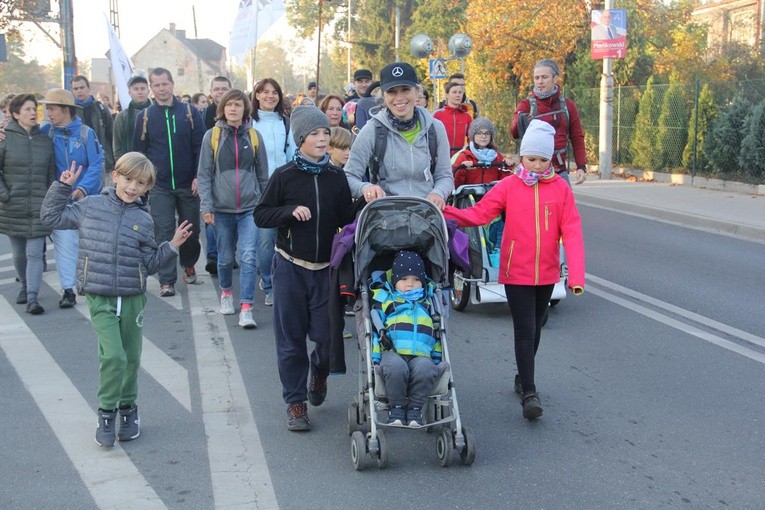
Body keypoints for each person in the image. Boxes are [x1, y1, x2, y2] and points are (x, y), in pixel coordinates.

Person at [41, 152, 193, 447]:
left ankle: (129, 410)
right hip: (99, 296)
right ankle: (107, 413)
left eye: (140, 183)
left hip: (133, 298)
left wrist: (171, 246)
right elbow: (51, 217)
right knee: (113, 356)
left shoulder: (142, 218)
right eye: (127, 179)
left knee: (132, 359)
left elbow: (149, 263)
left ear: (147, 188)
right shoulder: (90, 206)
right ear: (115, 176)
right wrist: (62, 188)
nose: (132, 187)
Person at [442, 120, 585, 420]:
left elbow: (571, 232)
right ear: (522, 157)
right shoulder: (508, 185)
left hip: (546, 272)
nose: (536, 166)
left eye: (543, 160)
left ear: (550, 161)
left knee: (538, 323)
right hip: (515, 270)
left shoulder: (560, 189)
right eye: (531, 159)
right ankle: (529, 392)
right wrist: (443, 212)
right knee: (525, 328)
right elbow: (479, 214)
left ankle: (522, 375)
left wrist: (576, 275)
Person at [253, 106, 358, 432]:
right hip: (290, 268)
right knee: (291, 341)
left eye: (325, 133)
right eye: (314, 133)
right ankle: (295, 403)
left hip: (326, 270)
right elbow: (261, 215)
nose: (322, 138)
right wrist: (287, 211)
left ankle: (319, 374)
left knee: (327, 340)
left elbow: (346, 218)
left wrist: (366, 199)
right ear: (300, 139)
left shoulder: (336, 176)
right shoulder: (284, 176)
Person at [197, 89, 268, 328]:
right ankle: (226, 293)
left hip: (250, 208)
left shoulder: (254, 136)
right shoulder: (212, 136)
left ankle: (246, 307)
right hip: (222, 209)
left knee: (249, 256)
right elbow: (204, 175)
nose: (233, 109)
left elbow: (263, 176)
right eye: (229, 105)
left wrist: (265, 205)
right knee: (226, 258)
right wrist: (206, 206)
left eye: (238, 105)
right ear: (223, 108)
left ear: (245, 108)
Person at [133, 67, 205, 297]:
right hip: (160, 186)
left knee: (190, 232)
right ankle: (167, 280)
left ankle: (189, 262)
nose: (162, 89)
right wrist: (143, 184)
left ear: (172, 85)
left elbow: (200, 149)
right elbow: (139, 154)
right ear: (152, 89)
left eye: (165, 84)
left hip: (187, 184)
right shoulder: (144, 117)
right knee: (163, 233)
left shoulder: (189, 112)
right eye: (157, 85)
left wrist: (198, 176)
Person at [344, 61, 454, 211]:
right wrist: (366, 188)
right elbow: (349, 176)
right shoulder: (372, 130)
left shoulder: (435, 128)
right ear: (383, 95)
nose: (399, 97)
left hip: (427, 217)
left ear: (417, 92)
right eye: (392, 91)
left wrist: (438, 193)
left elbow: (445, 176)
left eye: (405, 90)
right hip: (385, 219)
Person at [39, 88, 104, 309]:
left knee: (89, 244)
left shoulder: (86, 133)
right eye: (47, 108)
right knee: (64, 244)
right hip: (61, 199)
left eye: (52, 108)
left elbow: (96, 164)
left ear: (66, 110)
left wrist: (83, 188)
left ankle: (91, 283)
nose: (49, 113)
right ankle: (68, 289)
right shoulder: (46, 131)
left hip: (87, 199)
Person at [370, 250, 441, 427]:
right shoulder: (387, 300)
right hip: (393, 352)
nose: (410, 284)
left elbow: (437, 334)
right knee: (396, 368)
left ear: (423, 282)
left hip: (422, 354)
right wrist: (376, 357)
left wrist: (437, 358)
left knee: (426, 369)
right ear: (394, 282)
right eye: (404, 279)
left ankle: (415, 410)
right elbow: (376, 329)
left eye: (416, 280)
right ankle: (397, 408)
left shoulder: (428, 303)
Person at [0, 94, 55, 314]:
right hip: (13, 205)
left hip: (39, 205)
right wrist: (4, 194)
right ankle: (23, 285)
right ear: (15, 114)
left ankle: (32, 296)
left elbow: (52, 175)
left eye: (34, 109)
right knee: (19, 254)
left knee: (34, 254)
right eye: (27, 109)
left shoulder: (45, 141)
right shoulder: (5, 139)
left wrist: (51, 199)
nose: (33, 113)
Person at [251, 78, 297, 306]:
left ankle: (283, 282)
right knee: (266, 241)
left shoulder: (286, 123)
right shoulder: (249, 123)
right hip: (259, 190)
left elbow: (292, 155)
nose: (270, 96)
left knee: (286, 239)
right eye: (265, 92)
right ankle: (268, 284)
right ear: (257, 95)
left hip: (285, 189)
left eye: (274, 92)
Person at [511, 59, 588, 186]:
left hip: (559, 171)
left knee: (565, 205)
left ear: (555, 78)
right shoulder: (526, 105)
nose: (540, 82)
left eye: (544, 77)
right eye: (536, 78)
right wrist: (519, 120)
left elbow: (577, 137)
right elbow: (514, 133)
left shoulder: (567, 106)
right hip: (532, 173)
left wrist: (581, 167)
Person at [200, 76, 232, 273]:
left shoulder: (239, 113)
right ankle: (213, 255)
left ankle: (228, 252)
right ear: (210, 92)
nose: (220, 92)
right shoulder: (204, 115)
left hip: (232, 173)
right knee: (211, 213)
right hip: (211, 171)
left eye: (224, 89)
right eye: (217, 89)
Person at [71, 75, 115, 183]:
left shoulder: (101, 109)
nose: (79, 91)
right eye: (76, 89)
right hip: (80, 165)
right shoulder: (71, 112)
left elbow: (111, 135)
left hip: (103, 162)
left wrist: (113, 161)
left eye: (82, 87)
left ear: (88, 88)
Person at [452, 117, 516, 187]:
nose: (483, 136)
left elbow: (505, 184)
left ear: (491, 136)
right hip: (469, 196)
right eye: (479, 133)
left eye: (487, 133)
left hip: (491, 195)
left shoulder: (497, 157)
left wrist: (507, 167)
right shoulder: (464, 156)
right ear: (473, 135)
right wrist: (463, 169)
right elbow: (455, 184)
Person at [112, 75, 151, 161]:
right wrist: (122, 166)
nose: (140, 92)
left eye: (142, 88)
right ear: (129, 93)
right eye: (136, 89)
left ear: (148, 91)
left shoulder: (155, 113)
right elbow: (117, 145)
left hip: (154, 164)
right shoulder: (122, 116)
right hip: (130, 164)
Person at [433, 81, 472, 158]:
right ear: (447, 95)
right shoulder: (437, 115)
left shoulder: (467, 117)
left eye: (460, 92)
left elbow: (472, 139)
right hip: (440, 158)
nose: (457, 95)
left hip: (459, 159)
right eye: (454, 92)